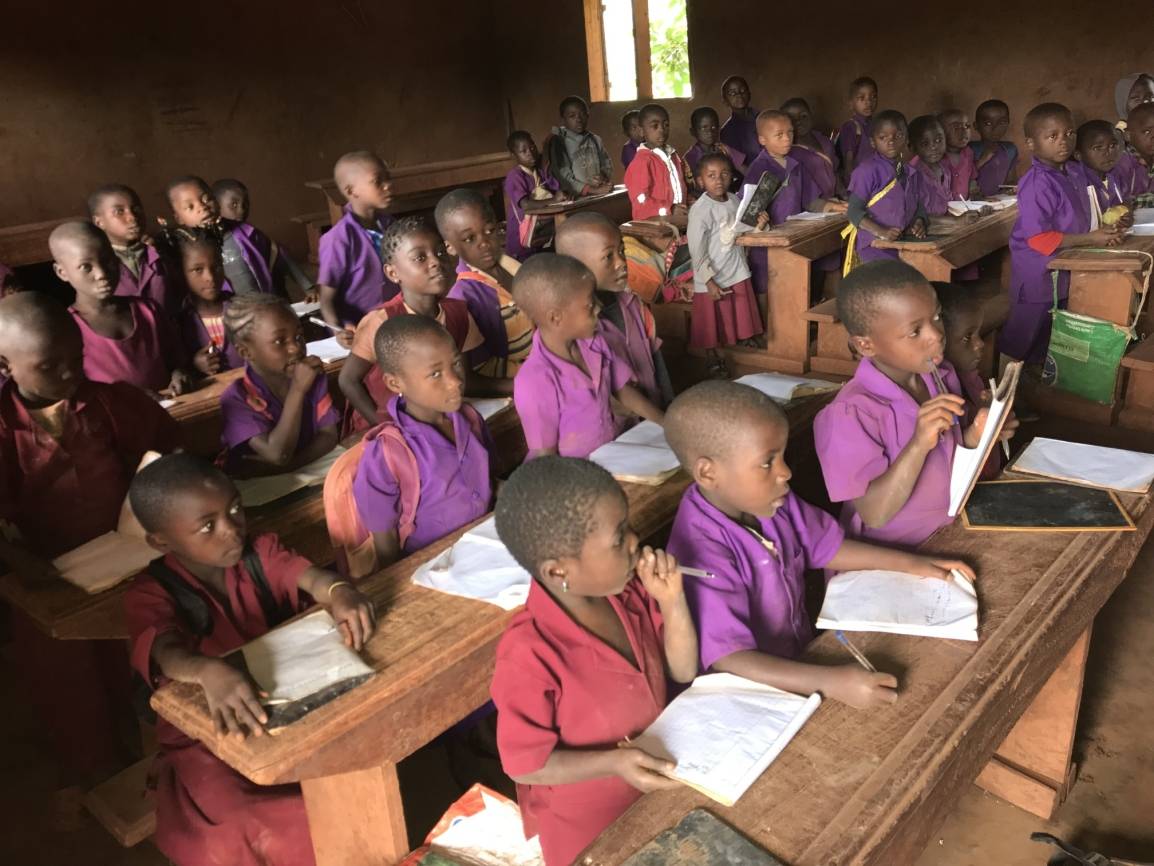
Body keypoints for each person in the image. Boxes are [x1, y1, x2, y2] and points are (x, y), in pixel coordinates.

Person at [125, 453, 375, 866]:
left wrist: (338, 592)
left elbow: (310, 577)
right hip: (210, 731)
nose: (231, 531)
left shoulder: (259, 551)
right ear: (161, 541)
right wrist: (205, 671)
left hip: (289, 702)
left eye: (235, 509)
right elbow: (165, 650)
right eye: (208, 526)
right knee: (249, 821)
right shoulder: (150, 593)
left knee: (346, 786)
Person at [664, 380, 974, 708]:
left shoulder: (769, 499)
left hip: (799, 661)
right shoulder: (699, 550)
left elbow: (828, 548)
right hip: (745, 700)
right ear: (708, 473)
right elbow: (731, 658)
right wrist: (828, 681)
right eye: (768, 462)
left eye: (781, 457)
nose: (784, 472)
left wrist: (917, 565)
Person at [0, 293, 180, 788]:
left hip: (131, 553)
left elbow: (167, 451)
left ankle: (169, 758)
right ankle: (99, 774)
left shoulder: (110, 400)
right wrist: (17, 560)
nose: (67, 374)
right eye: (48, 365)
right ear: (4, 365)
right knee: (73, 685)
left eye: (76, 357)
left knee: (151, 656)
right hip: (47, 578)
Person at [489, 456, 697, 866]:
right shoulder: (529, 652)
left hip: (653, 793)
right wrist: (615, 762)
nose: (636, 542)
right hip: (587, 832)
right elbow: (525, 765)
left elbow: (683, 670)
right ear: (558, 571)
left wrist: (672, 601)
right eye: (620, 539)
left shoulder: (626, 595)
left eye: (629, 527)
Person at [813, 260, 992, 547]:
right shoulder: (850, 414)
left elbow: (950, 458)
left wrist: (979, 433)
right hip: (895, 557)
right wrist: (919, 443)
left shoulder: (939, 376)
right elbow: (875, 514)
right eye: (914, 331)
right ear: (866, 345)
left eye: (936, 317)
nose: (936, 335)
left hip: (950, 531)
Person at [348, 316, 494, 567]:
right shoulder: (387, 454)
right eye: (436, 373)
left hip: (486, 542)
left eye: (456, 363)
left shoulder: (469, 419)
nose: (456, 380)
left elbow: (489, 480)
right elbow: (387, 553)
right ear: (395, 383)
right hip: (435, 566)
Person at [339, 217, 490, 431]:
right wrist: (390, 429)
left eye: (439, 252)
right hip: (384, 426)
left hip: (435, 417)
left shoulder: (458, 313)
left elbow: (466, 380)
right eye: (420, 257)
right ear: (393, 273)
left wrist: (517, 385)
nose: (435, 261)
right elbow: (348, 381)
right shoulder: (381, 321)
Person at [1002, 103, 1122, 364]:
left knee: (1051, 333)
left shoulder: (1074, 171)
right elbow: (1038, 238)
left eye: (1069, 133)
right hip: (1038, 275)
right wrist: (1092, 238)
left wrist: (1110, 225)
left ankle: (1036, 387)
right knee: (1022, 336)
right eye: (1052, 136)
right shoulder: (1036, 183)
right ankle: (1000, 389)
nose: (1063, 142)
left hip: (1066, 268)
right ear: (1031, 143)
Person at [511, 254, 664, 458]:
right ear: (556, 317)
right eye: (590, 305)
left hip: (610, 456)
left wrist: (665, 424)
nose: (599, 307)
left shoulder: (594, 342)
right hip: (571, 478)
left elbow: (622, 391)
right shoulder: (534, 381)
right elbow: (545, 456)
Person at [51, 221, 193, 395]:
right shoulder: (66, 331)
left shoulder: (148, 310)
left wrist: (179, 375)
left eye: (107, 260)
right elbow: (77, 394)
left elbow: (177, 362)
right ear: (61, 272)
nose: (101, 273)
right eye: (85, 267)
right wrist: (130, 403)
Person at [555, 212, 673, 407]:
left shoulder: (635, 305)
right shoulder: (574, 330)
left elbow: (656, 360)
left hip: (655, 418)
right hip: (615, 431)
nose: (621, 263)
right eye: (608, 256)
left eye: (621, 251)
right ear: (575, 267)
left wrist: (669, 405)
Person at [219, 294, 339, 476]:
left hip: (289, 477)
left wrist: (286, 466)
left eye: (299, 336)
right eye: (279, 341)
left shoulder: (312, 376)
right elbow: (278, 454)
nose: (295, 348)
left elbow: (329, 437)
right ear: (246, 352)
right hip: (254, 489)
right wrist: (298, 390)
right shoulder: (237, 398)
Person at [685, 152, 766, 375]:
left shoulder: (734, 200)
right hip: (712, 272)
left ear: (731, 176)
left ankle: (744, 338)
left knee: (740, 304)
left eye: (724, 174)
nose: (718, 180)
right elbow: (697, 251)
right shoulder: (700, 211)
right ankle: (712, 355)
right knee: (711, 318)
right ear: (701, 181)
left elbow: (743, 229)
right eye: (711, 176)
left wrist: (758, 224)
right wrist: (708, 281)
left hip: (734, 263)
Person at [440, 188, 534, 378]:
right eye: (469, 238)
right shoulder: (462, 298)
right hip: (521, 379)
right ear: (450, 247)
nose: (484, 242)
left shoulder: (513, 267)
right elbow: (481, 368)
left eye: (490, 230)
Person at [933, 281, 1017, 478]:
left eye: (978, 334)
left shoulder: (971, 377)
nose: (980, 344)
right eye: (966, 338)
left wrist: (991, 408)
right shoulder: (937, 392)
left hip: (987, 474)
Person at [166, 176, 292, 300]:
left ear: (216, 201)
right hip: (225, 316)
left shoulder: (246, 233)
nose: (202, 207)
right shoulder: (181, 251)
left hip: (264, 307)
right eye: (190, 206)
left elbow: (279, 254)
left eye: (207, 199)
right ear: (178, 218)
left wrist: (307, 286)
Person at [316, 151, 399, 336]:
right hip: (362, 332)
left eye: (389, 178)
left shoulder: (390, 225)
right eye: (378, 181)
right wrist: (338, 330)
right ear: (351, 191)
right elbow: (326, 300)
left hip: (398, 323)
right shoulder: (338, 239)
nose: (388, 186)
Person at [843, 110, 927, 273]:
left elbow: (917, 205)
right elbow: (853, 211)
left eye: (898, 136)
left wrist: (919, 221)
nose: (891, 142)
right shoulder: (867, 171)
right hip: (874, 245)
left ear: (906, 138)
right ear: (873, 142)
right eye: (883, 138)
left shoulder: (906, 170)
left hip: (900, 243)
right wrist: (881, 232)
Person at [211, 178, 317, 300]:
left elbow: (280, 255)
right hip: (235, 310)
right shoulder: (208, 243)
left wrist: (308, 288)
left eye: (245, 204)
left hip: (267, 305)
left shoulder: (251, 234)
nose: (241, 210)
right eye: (234, 204)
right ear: (215, 206)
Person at [89, 183, 184, 317]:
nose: (132, 217)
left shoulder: (161, 251)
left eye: (136, 208)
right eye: (119, 211)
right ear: (99, 222)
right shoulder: (98, 266)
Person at [170, 226, 245, 374]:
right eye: (198, 270)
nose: (210, 277)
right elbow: (177, 367)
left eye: (216, 266)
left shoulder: (243, 309)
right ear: (180, 272)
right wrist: (195, 366)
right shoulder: (180, 322)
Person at [503, 130, 567, 260]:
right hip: (521, 241)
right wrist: (554, 199)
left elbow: (555, 190)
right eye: (523, 151)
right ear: (514, 155)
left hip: (541, 236)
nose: (530, 153)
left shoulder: (540, 172)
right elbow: (526, 205)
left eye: (532, 147)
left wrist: (563, 195)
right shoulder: (515, 176)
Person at [623, 103, 689, 225]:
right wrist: (671, 208)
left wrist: (688, 202)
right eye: (655, 126)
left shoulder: (673, 155)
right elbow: (641, 203)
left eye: (666, 125)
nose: (662, 130)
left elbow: (681, 187)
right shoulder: (642, 161)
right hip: (653, 223)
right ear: (642, 131)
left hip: (674, 218)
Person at [546, 95, 613, 197]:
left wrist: (603, 176)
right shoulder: (559, 142)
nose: (578, 119)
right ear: (563, 119)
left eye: (582, 114)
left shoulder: (595, 140)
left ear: (588, 115)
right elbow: (563, 176)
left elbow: (607, 163)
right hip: (575, 200)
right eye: (572, 116)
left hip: (598, 194)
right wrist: (592, 190)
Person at [782, 96, 841, 199]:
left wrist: (844, 195)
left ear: (811, 115)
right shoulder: (789, 152)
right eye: (792, 119)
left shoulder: (825, 141)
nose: (798, 121)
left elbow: (835, 172)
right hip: (810, 207)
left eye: (803, 116)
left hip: (833, 201)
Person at [1074, 120, 1133, 217]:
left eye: (1112, 145)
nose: (1108, 152)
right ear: (1078, 155)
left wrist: (1125, 216)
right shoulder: (1078, 183)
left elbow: (1125, 202)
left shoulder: (1115, 174)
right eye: (1098, 148)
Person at [684, 106, 746, 191]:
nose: (710, 132)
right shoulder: (691, 157)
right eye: (704, 128)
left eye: (713, 127)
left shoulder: (724, 149)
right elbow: (693, 187)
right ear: (693, 131)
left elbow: (746, 171)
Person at [969, 99, 1019, 197]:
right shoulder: (969, 150)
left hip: (999, 203)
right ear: (976, 126)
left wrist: (1011, 189)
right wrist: (983, 159)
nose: (995, 128)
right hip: (972, 204)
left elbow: (1011, 180)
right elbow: (960, 179)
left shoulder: (1010, 150)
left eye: (1001, 123)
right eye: (988, 123)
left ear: (1008, 123)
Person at [837, 76, 879, 185]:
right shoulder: (851, 127)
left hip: (878, 181)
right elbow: (848, 162)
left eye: (873, 97)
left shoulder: (878, 125)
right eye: (862, 98)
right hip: (861, 184)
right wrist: (853, 188)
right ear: (851, 104)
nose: (868, 102)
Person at [939, 108, 978, 199]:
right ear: (940, 132)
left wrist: (974, 193)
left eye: (967, 126)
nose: (964, 131)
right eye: (956, 127)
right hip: (942, 209)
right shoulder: (937, 157)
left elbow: (971, 177)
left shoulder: (968, 153)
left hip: (963, 207)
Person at [719, 75, 760, 160]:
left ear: (749, 94)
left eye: (742, 90)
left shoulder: (764, 118)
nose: (739, 95)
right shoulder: (727, 132)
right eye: (732, 93)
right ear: (725, 101)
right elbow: (738, 164)